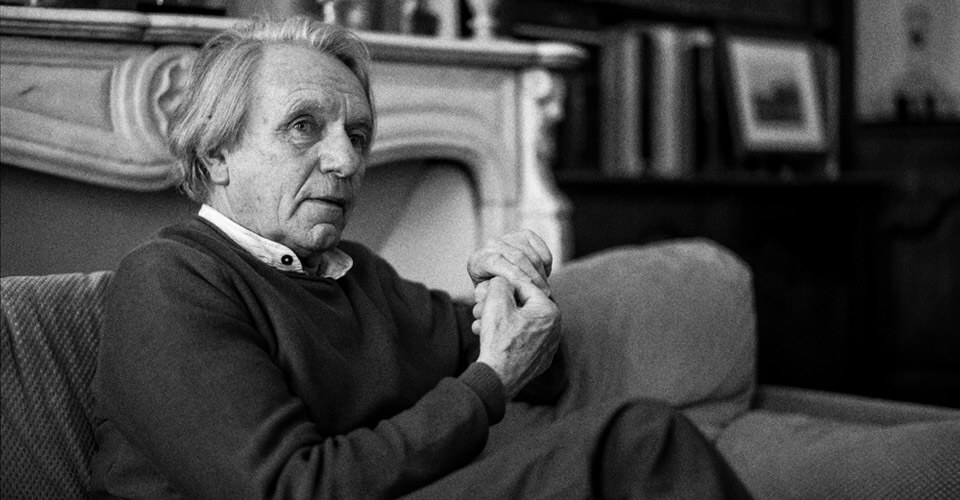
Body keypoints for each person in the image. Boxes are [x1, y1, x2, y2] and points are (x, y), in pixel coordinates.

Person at [90, 17, 749, 499]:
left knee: (636, 440)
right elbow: (291, 489)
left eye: (357, 136)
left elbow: (529, 372)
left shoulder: (356, 275)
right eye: (303, 126)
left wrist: (512, 288)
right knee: (637, 442)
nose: (345, 161)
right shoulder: (169, 282)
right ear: (217, 155)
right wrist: (492, 381)